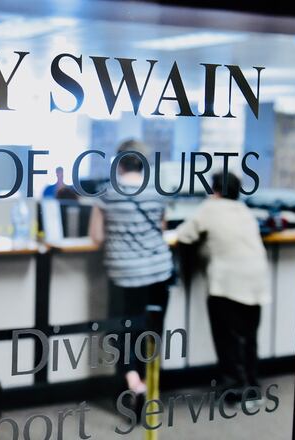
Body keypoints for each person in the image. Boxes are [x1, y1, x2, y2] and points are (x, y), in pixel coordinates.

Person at [89, 139, 174, 401]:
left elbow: (96, 237)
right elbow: (161, 229)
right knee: (151, 329)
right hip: (159, 271)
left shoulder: (107, 194)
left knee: (123, 330)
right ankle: (150, 382)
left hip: (125, 274)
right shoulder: (157, 192)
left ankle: (133, 381)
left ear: (119, 164)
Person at [175, 171, 270, 404]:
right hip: (256, 280)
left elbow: (183, 236)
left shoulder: (210, 209)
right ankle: (252, 388)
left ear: (214, 190)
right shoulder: (244, 210)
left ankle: (235, 390)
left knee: (227, 339)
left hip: (227, 281)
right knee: (248, 338)